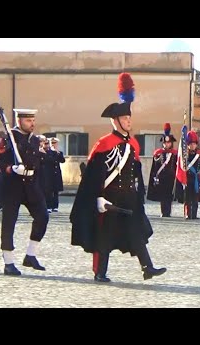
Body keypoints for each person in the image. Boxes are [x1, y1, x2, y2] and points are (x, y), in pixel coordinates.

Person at [70, 72, 166, 283]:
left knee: (137, 233)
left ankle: (147, 268)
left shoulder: (133, 144)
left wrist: (139, 194)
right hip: (109, 198)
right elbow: (93, 176)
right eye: (125, 118)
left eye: (130, 118)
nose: (129, 122)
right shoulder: (103, 144)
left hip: (128, 197)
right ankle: (100, 273)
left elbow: (136, 172)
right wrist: (98, 197)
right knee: (104, 237)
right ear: (115, 121)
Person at [0, 108, 49, 276]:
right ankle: (9, 262)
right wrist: (11, 168)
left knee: (43, 217)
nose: (32, 123)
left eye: (33, 120)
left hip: (31, 184)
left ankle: (31, 255)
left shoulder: (35, 140)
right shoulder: (8, 137)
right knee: (9, 224)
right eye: (28, 121)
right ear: (19, 121)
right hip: (13, 186)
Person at [147, 123, 178, 217]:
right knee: (162, 196)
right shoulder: (158, 153)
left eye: (168, 142)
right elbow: (155, 167)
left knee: (169, 196)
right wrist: (154, 177)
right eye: (165, 142)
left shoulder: (175, 154)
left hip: (171, 177)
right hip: (161, 178)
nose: (167, 144)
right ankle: (163, 212)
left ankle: (168, 212)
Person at [175, 130, 200, 219]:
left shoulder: (199, 155)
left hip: (196, 179)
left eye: (194, 144)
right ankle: (188, 214)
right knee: (187, 198)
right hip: (187, 178)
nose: (192, 145)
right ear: (187, 145)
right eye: (191, 144)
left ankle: (194, 214)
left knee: (195, 198)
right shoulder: (184, 156)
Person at [46, 137, 65, 212]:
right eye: (52, 143)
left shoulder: (59, 152)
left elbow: (62, 160)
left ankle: (55, 206)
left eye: (55, 143)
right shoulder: (48, 152)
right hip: (49, 173)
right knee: (49, 191)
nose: (54, 144)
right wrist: (53, 152)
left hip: (56, 173)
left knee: (56, 191)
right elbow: (50, 160)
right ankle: (49, 206)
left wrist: (57, 153)